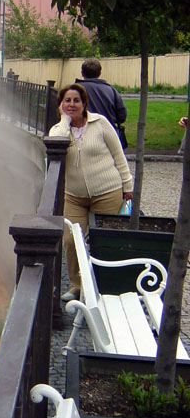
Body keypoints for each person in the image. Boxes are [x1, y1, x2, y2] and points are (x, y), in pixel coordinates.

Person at [49, 83, 133, 302]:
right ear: (60, 105)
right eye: (67, 100)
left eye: (76, 100)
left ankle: (105, 286)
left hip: (107, 191)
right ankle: (78, 285)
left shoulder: (100, 123)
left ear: (84, 103)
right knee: (70, 240)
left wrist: (128, 186)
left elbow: (118, 155)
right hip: (74, 195)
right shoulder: (58, 129)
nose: (72, 104)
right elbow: (55, 145)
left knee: (102, 241)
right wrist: (65, 121)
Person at [77, 58, 128, 147]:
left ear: (82, 73)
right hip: (108, 136)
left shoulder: (75, 90)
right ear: (100, 73)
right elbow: (122, 115)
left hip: (81, 135)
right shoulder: (111, 90)